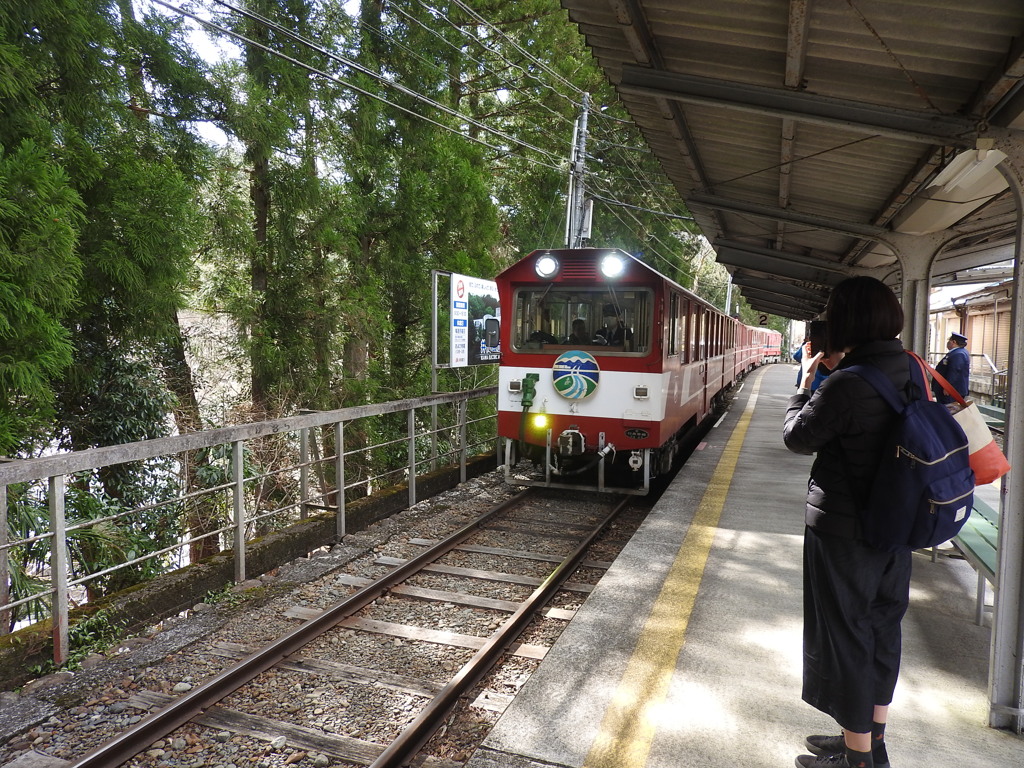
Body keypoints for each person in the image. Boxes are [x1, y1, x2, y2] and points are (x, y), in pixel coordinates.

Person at [783, 276, 915, 768]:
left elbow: (798, 437)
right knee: (881, 631)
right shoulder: (910, 368)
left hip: (845, 532)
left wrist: (803, 385)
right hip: (897, 526)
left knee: (846, 639)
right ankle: (869, 740)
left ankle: (858, 760)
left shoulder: (846, 384)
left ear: (848, 320)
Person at [931, 331, 970, 403]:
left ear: (954, 342)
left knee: (948, 410)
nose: (948, 342)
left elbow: (954, 371)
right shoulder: (958, 352)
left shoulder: (958, 354)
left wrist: (948, 387)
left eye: (949, 340)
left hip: (950, 392)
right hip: (950, 390)